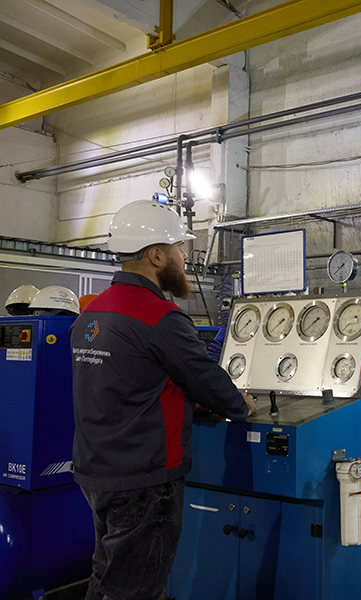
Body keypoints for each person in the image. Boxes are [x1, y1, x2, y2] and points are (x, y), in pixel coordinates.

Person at [70, 200, 255, 600]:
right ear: (156, 255)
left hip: (95, 470)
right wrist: (241, 404)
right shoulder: (159, 317)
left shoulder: (90, 315)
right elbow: (208, 381)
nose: (185, 257)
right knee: (135, 590)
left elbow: (127, 384)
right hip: (143, 479)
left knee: (106, 577)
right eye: (179, 248)